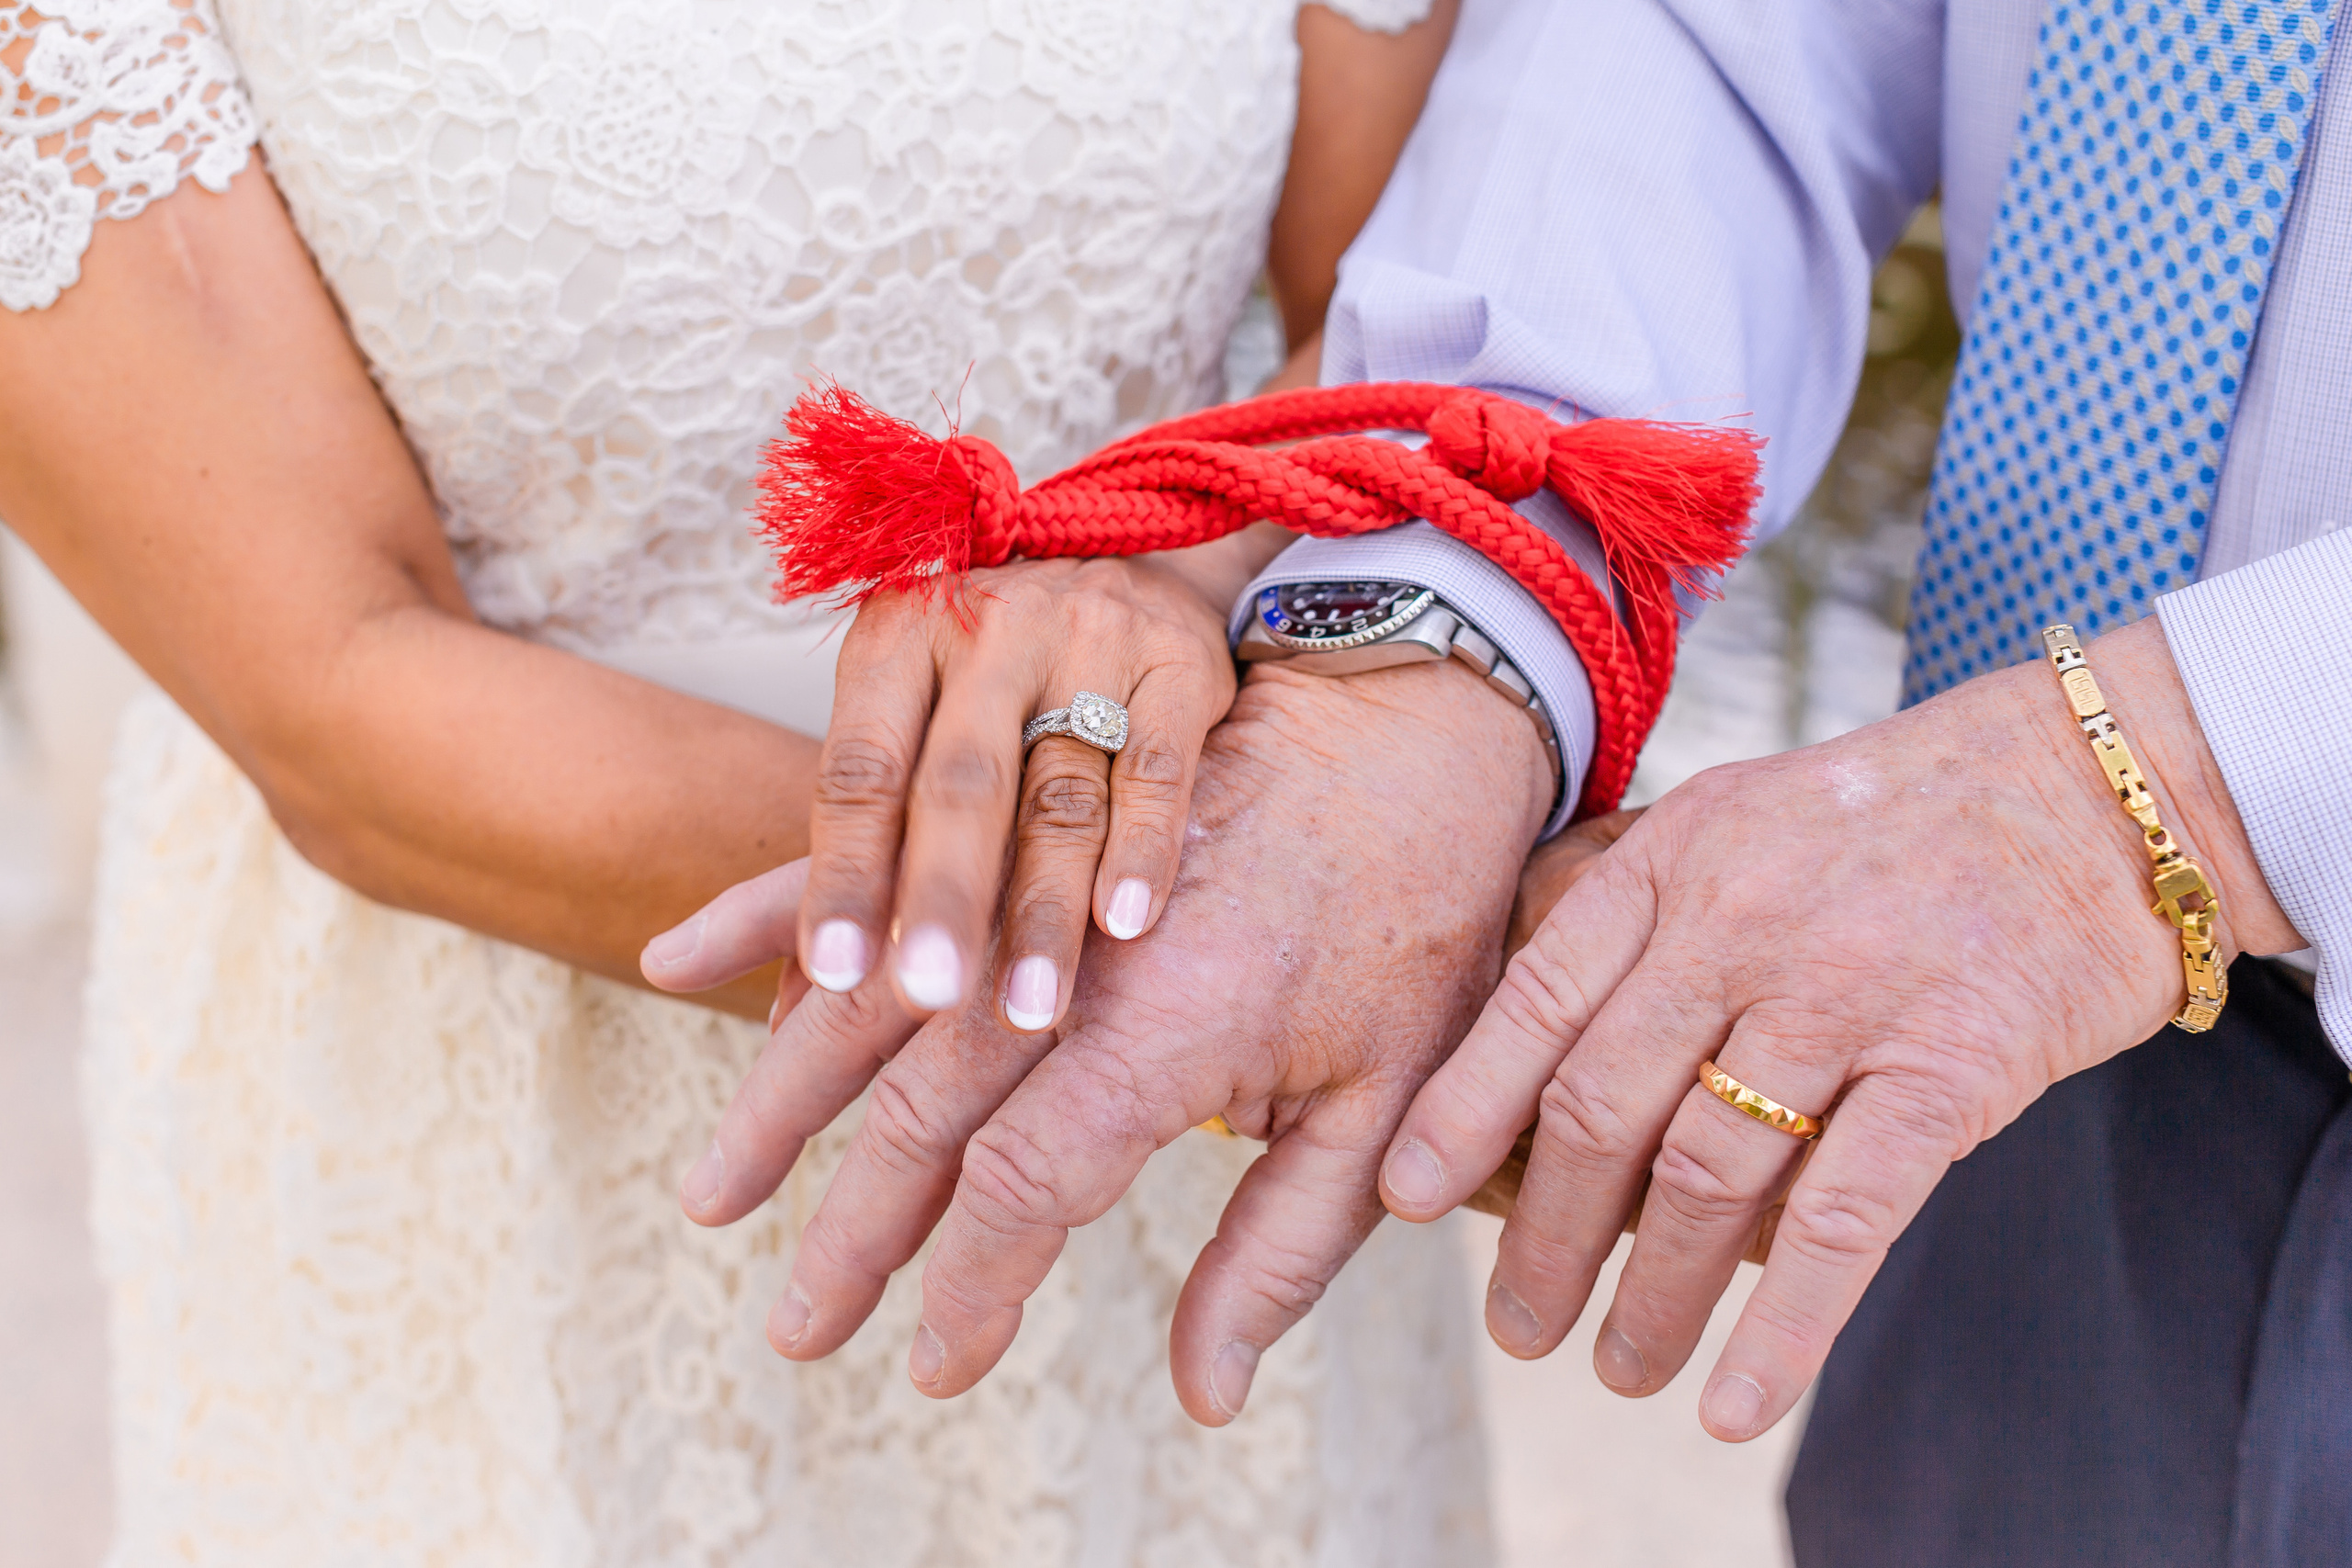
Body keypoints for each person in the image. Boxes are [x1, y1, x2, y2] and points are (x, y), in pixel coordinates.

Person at [674, 0, 2352, 1560]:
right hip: (1982, 1056)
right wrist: (1427, 660)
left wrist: (2169, 784)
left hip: (1999, 890)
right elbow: (1720, 39)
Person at [0, 1, 1510, 1562]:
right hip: (511, 1083)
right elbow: (336, 679)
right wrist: (1171, 929)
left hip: (1176, 1015)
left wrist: (1169, 600)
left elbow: (1420, 306)